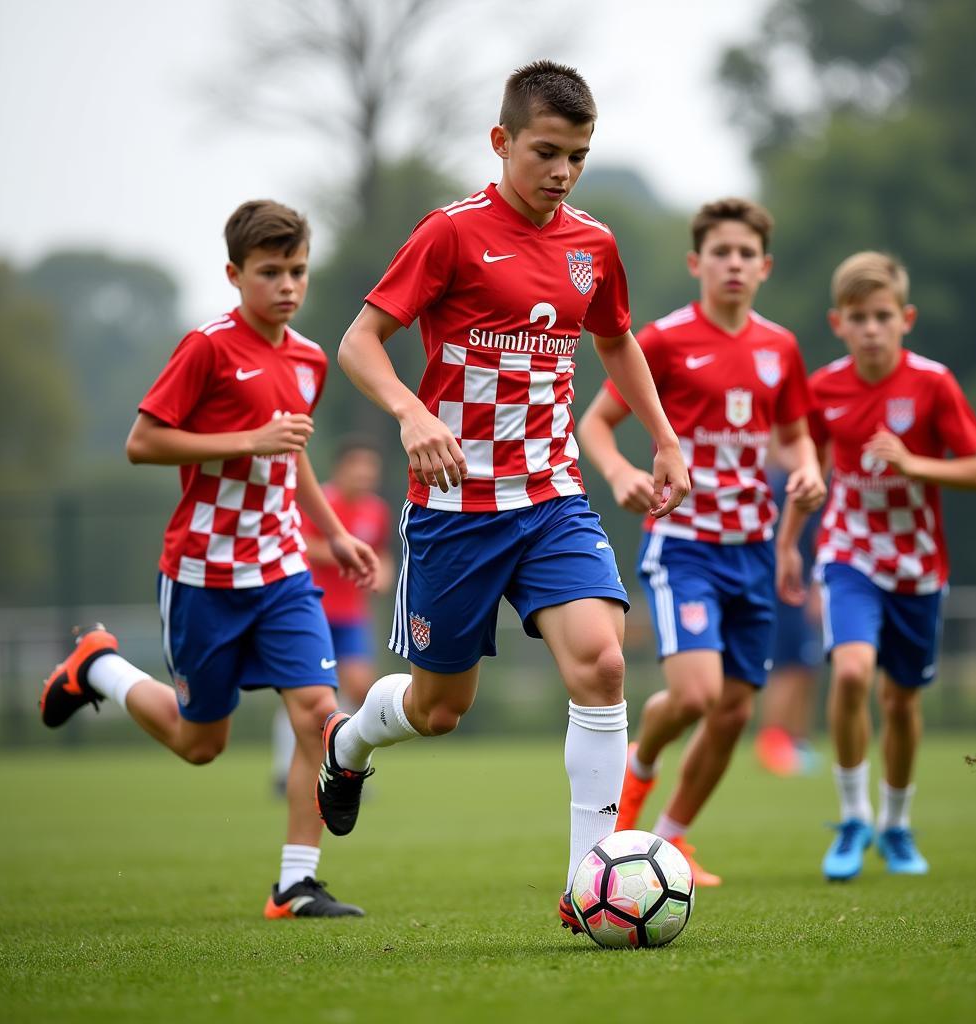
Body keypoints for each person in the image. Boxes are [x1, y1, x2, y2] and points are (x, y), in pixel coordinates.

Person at [312, 60, 691, 934]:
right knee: (441, 709)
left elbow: (618, 341)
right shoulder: (449, 234)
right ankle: (348, 742)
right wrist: (411, 413)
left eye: (579, 157)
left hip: (553, 496)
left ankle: (586, 884)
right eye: (546, 153)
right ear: (502, 142)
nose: (561, 173)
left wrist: (664, 436)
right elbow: (360, 342)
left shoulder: (593, 245)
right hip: (454, 510)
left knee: (601, 663)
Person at [39, 200, 380, 918]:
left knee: (319, 711)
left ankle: (295, 884)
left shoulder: (311, 358)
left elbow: (294, 457)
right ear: (234, 274)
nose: (286, 285)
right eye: (269, 272)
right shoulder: (208, 348)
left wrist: (333, 531)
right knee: (201, 744)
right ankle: (96, 665)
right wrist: (245, 441)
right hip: (204, 575)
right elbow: (144, 442)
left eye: (297, 271)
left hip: (284, 569)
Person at [577, 197, 825, 887]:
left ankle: (673, 838)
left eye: (747, 254)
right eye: (722, 252)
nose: (735, 264)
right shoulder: (662, 340)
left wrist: (804, 469)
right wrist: (623, 471)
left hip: (754, 546)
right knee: (694, 695)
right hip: (684, 543)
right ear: (697, 263)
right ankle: (636, 773)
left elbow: (797, 434)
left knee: (735, 710)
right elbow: (594, 423)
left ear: (765, 267)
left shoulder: (780, 348)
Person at [776, 251, 976, 881]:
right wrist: (790, 544)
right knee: (850, 673)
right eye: (857, 317)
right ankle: (854, 818)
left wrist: (914, 464)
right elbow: (808, 473)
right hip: (848, 553)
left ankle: (897, 826)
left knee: (900, 703)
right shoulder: (823, 388)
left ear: (905, 318)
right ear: (838, 323)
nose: (871, 328)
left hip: (918, 565)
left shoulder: (933, 384)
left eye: (881, 316)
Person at [271, 437, 394, 793]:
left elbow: (382, 553)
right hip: (313, 611)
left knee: (359, 688)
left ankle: (350, 769)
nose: (365, 474)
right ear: (341, 468)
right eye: (358, 466)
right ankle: (284, 772)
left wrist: (383, 573)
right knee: (305, 692)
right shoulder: (319, 501)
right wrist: (346, 553)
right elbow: (300, 542)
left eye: (371, 468)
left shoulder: (377, 510)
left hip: (352, 615)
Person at [753, 458, 824, 777]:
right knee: (788, 665)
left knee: (805, 666)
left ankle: (795, 742)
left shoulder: (808, 479)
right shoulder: (788, 484)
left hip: (799, 584)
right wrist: (816, 588)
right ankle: (774, 743)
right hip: (788, 588)